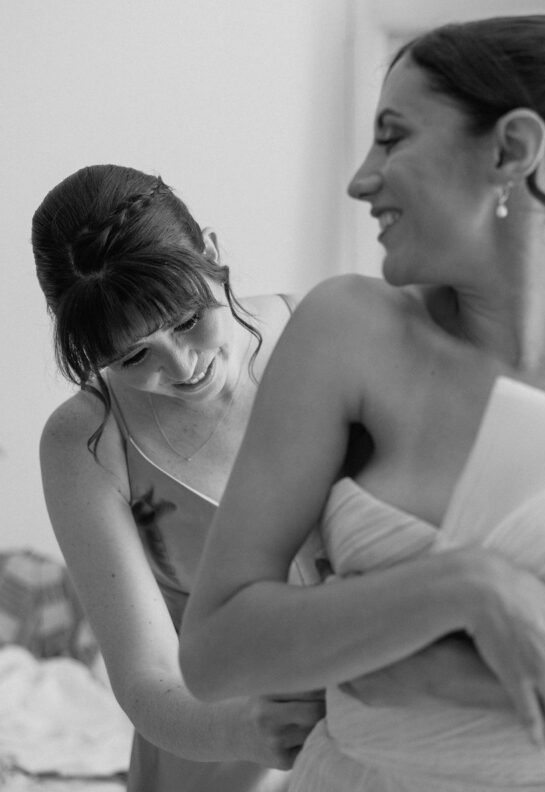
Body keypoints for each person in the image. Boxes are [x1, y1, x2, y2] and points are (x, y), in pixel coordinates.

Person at [180, 16, 545, 792]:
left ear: (510, 151)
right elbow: (215, 653)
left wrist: (457, 680)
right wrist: (465, 589)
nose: (359, 178)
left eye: (391, 137)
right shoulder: (346, 331)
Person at [31, 164, 326, 792]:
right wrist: (259, 730)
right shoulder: (84, 443)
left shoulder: (325, 334)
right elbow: (147, 681)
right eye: (132, 356)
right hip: (214, 754)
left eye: (190, 318)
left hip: (382, 735)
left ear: (212, 254)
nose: (182, 365)